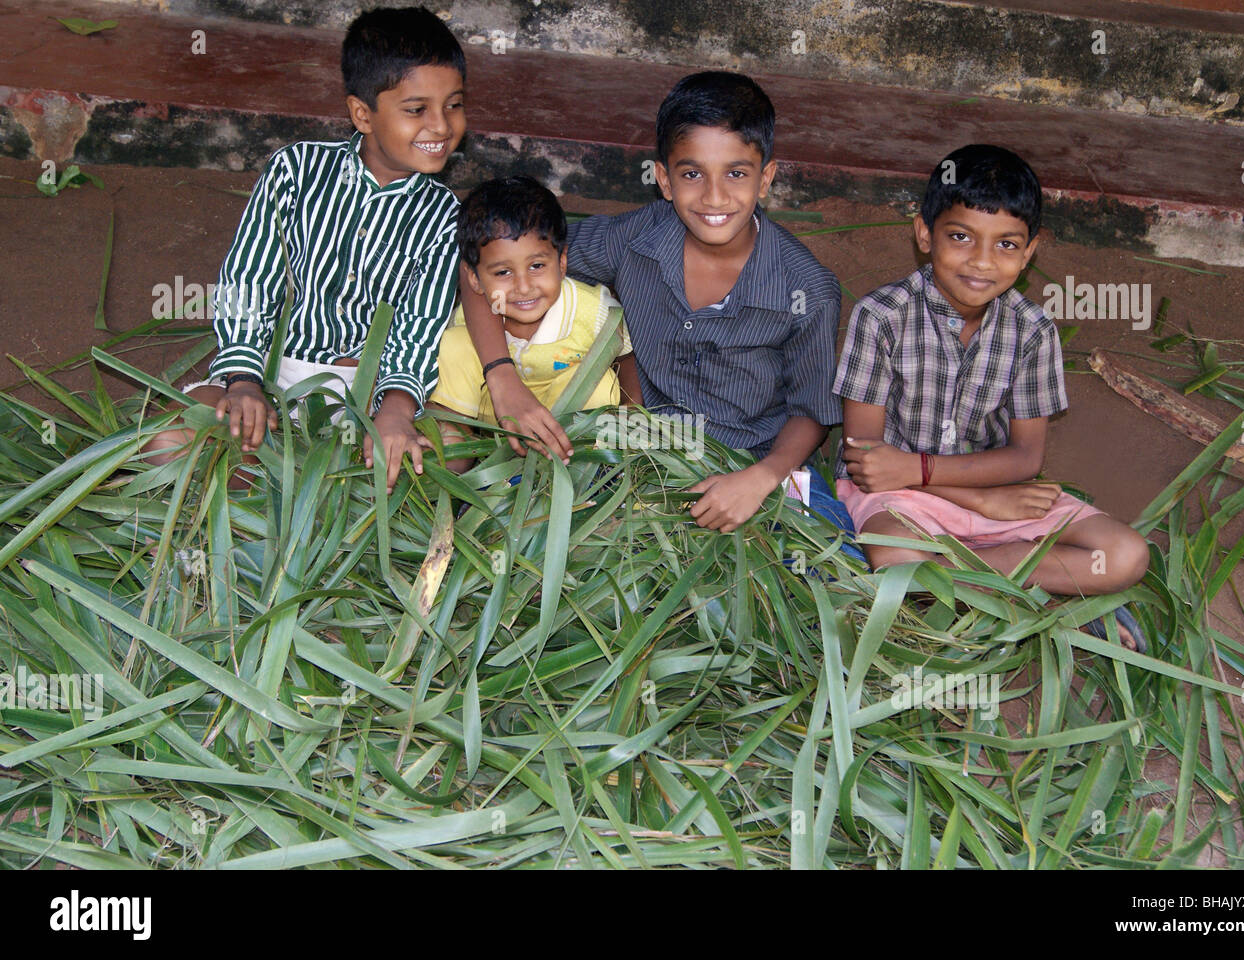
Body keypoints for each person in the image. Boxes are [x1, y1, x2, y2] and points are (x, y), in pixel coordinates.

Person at [457, 71, 853, 536]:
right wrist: (501, 376)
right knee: (503, 520)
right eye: (691, 174)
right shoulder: (636, 239)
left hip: (753, 459)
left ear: (765, 177)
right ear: (663, 179)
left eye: (736, 173)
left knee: (833, 552)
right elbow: (487, 264)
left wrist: (760, 478)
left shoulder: (807, 289)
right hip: (633, 447)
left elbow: (811, 411)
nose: (714, 196)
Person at [835, 144, 1151, 650]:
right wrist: (977, 498)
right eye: (961, 237)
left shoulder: (1033, 332)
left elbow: (1027, 456)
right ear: (924, 233)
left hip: (994, 492)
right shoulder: (881, 317)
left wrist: (969, 490)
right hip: (898, 497)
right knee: (895, 557)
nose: (982, 261)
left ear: (1030, 252)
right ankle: (1044, 602)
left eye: (1006, 245)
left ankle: (956, 585)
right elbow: (867, 461)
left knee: (1125, 554)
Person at [145, 6, 466, 494]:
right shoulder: (296, 171)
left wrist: (397, 411)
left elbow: (420, 326)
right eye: (417, 110)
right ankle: (287, 488)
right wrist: (245, 383)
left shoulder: (444, 216)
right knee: (167, 441)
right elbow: (249, 281)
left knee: (451, 454)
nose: (441, 127)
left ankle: (289, 489)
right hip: (274, 371)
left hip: (369, 391)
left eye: (454, 105)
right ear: (362, 114)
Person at [429, 176, 640, 473]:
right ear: (474, 279)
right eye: (503, 272)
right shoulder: (470, 317)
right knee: (455, 344)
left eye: (537, 266)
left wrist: (631, 412)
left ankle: (574, 470)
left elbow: (626, 356)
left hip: (563, 422)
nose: (524, 287)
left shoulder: (593, 310)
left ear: (562, 261)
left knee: (602, 384)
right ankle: (455, 459)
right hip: (493, 424)